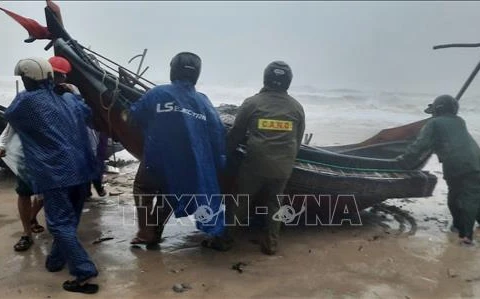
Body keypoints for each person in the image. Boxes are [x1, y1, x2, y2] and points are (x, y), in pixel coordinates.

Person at [5, 57, 99, 294]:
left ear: (27, 79)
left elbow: (11, 115)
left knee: (58, 224)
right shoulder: (68, 98)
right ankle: (56, 259)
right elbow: (88, 114)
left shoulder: (25, 101)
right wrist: (72, 95)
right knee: (70, 220)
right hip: (82, 169)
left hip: (55, 172)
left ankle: (84, 271)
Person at [128, 52, 226, 248]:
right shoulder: (203, 101)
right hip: (187, 163)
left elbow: (134, 116)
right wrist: (220, 162)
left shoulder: (157, 93)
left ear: (173, 70)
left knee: (143, 188)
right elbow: (217, 132)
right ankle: (154, 231)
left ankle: (145, 230)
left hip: (157, 158)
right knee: (170, 194)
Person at [220, 61, 305, 255]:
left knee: (240, 201)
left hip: (255, 165)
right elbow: (297, 141)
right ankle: (271, 244)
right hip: (283, 167)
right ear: (288, 82)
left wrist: (223, 154)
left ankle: (226, 240)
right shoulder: (297, 107)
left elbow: (236, 134)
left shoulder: (252, 103)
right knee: (275, 203)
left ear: (265, 78)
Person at [395, 94, 480, 245]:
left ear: (438, 109)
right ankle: (459, 226)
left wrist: (403, 161)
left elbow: (420, 145)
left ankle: (466, 237)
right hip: (473, 161)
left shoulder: (434, 123)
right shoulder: (460, 121)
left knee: (464, 198)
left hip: (459, 164)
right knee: (468, 195)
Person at [48, 55, 107, 198]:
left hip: (85, 127)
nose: (57, 78)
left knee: (93, 157)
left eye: (59, 75)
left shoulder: (73, 89)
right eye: (54, 75)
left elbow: (84, 110)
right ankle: (84, 190)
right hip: (68, 131)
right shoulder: (49, 91)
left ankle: (94, 187)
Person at [0, 124, 44, 252]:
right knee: (24, 193)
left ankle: (32, 217)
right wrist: (2, 145)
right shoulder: (23, 106)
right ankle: (27, 234)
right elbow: (8, 130)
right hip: (24, 158)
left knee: (45, 195)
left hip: (47, 158)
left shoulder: (55, 107)